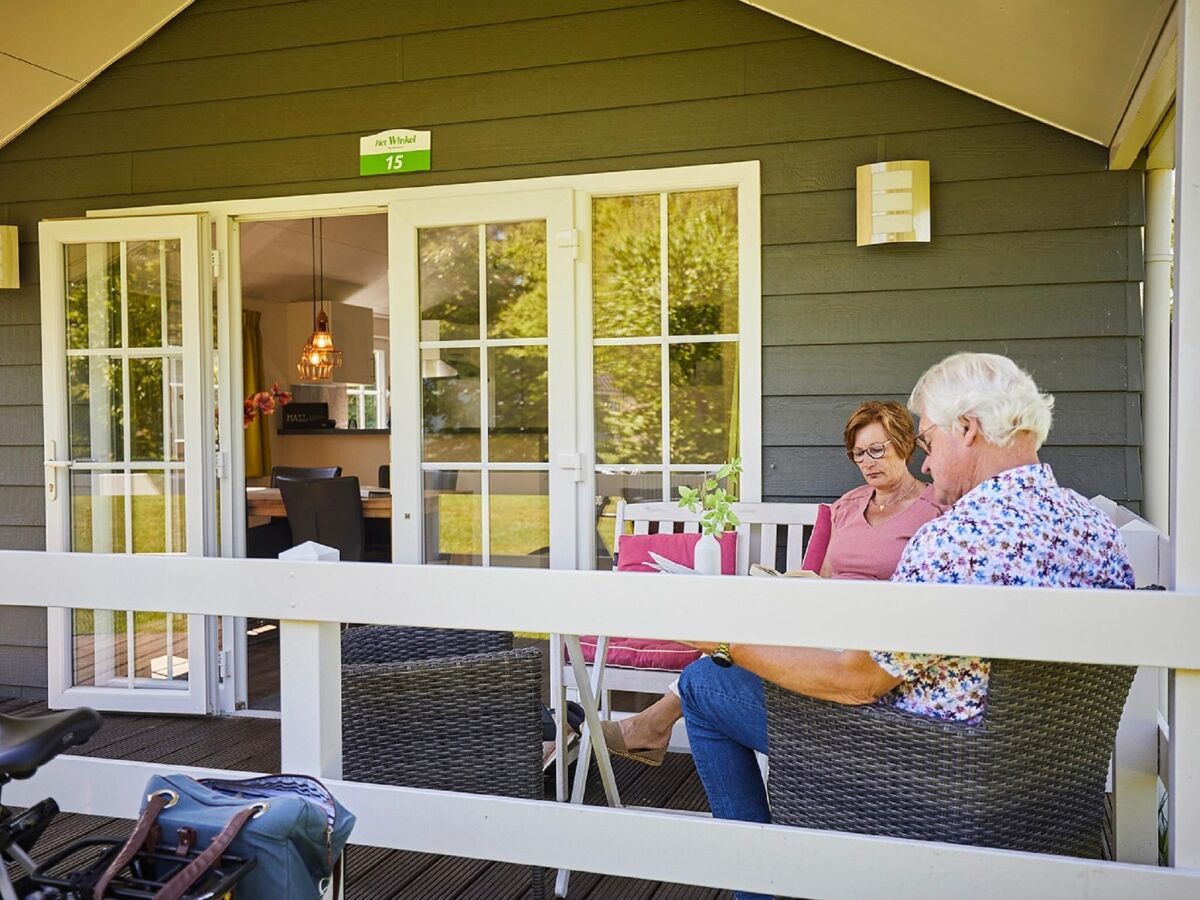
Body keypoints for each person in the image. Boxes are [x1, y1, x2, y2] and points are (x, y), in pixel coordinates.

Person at [678, 352, 1135, 900]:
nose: (925, 464)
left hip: (923, 768)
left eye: (928, 442)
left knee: (705, 683)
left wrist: (723, 641)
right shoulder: (1097, 529)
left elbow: (857, 681)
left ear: (967, 429)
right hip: (1041, 776)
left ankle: (760, 888)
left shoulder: (957, 539)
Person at [602, 401, 946, 767]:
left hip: (868, 639)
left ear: (906, 444)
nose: (867, 461)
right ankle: (652, 725)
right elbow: (826, 576)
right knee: (734, 630)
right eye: (859, 453)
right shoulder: (848, 504)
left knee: (716, 657)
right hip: (823, 622)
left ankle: (652, 724)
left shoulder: (936, 511)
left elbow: (916, 593)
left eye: (877, 449)